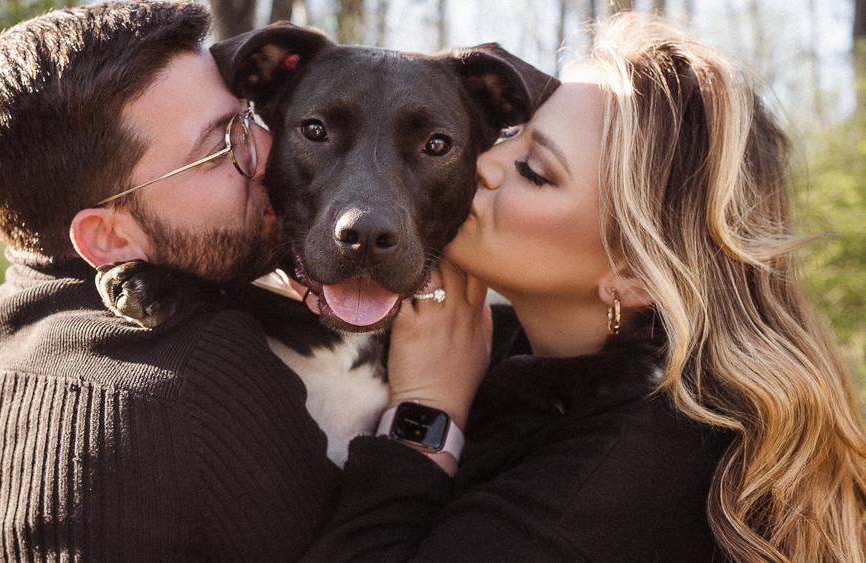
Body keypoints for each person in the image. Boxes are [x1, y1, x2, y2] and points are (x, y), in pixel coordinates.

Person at [305, 13, 866, 563]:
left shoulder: (624, 477)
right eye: (510, 135)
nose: (481, 161)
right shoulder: (492, 339)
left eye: (535, 170)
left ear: (635, 275)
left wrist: (427, 411)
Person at [0, 2, 338, 560]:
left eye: (247, 119)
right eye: (219, 149)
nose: (266, 153)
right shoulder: (193, 370)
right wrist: (425, 410)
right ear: (109, 238)